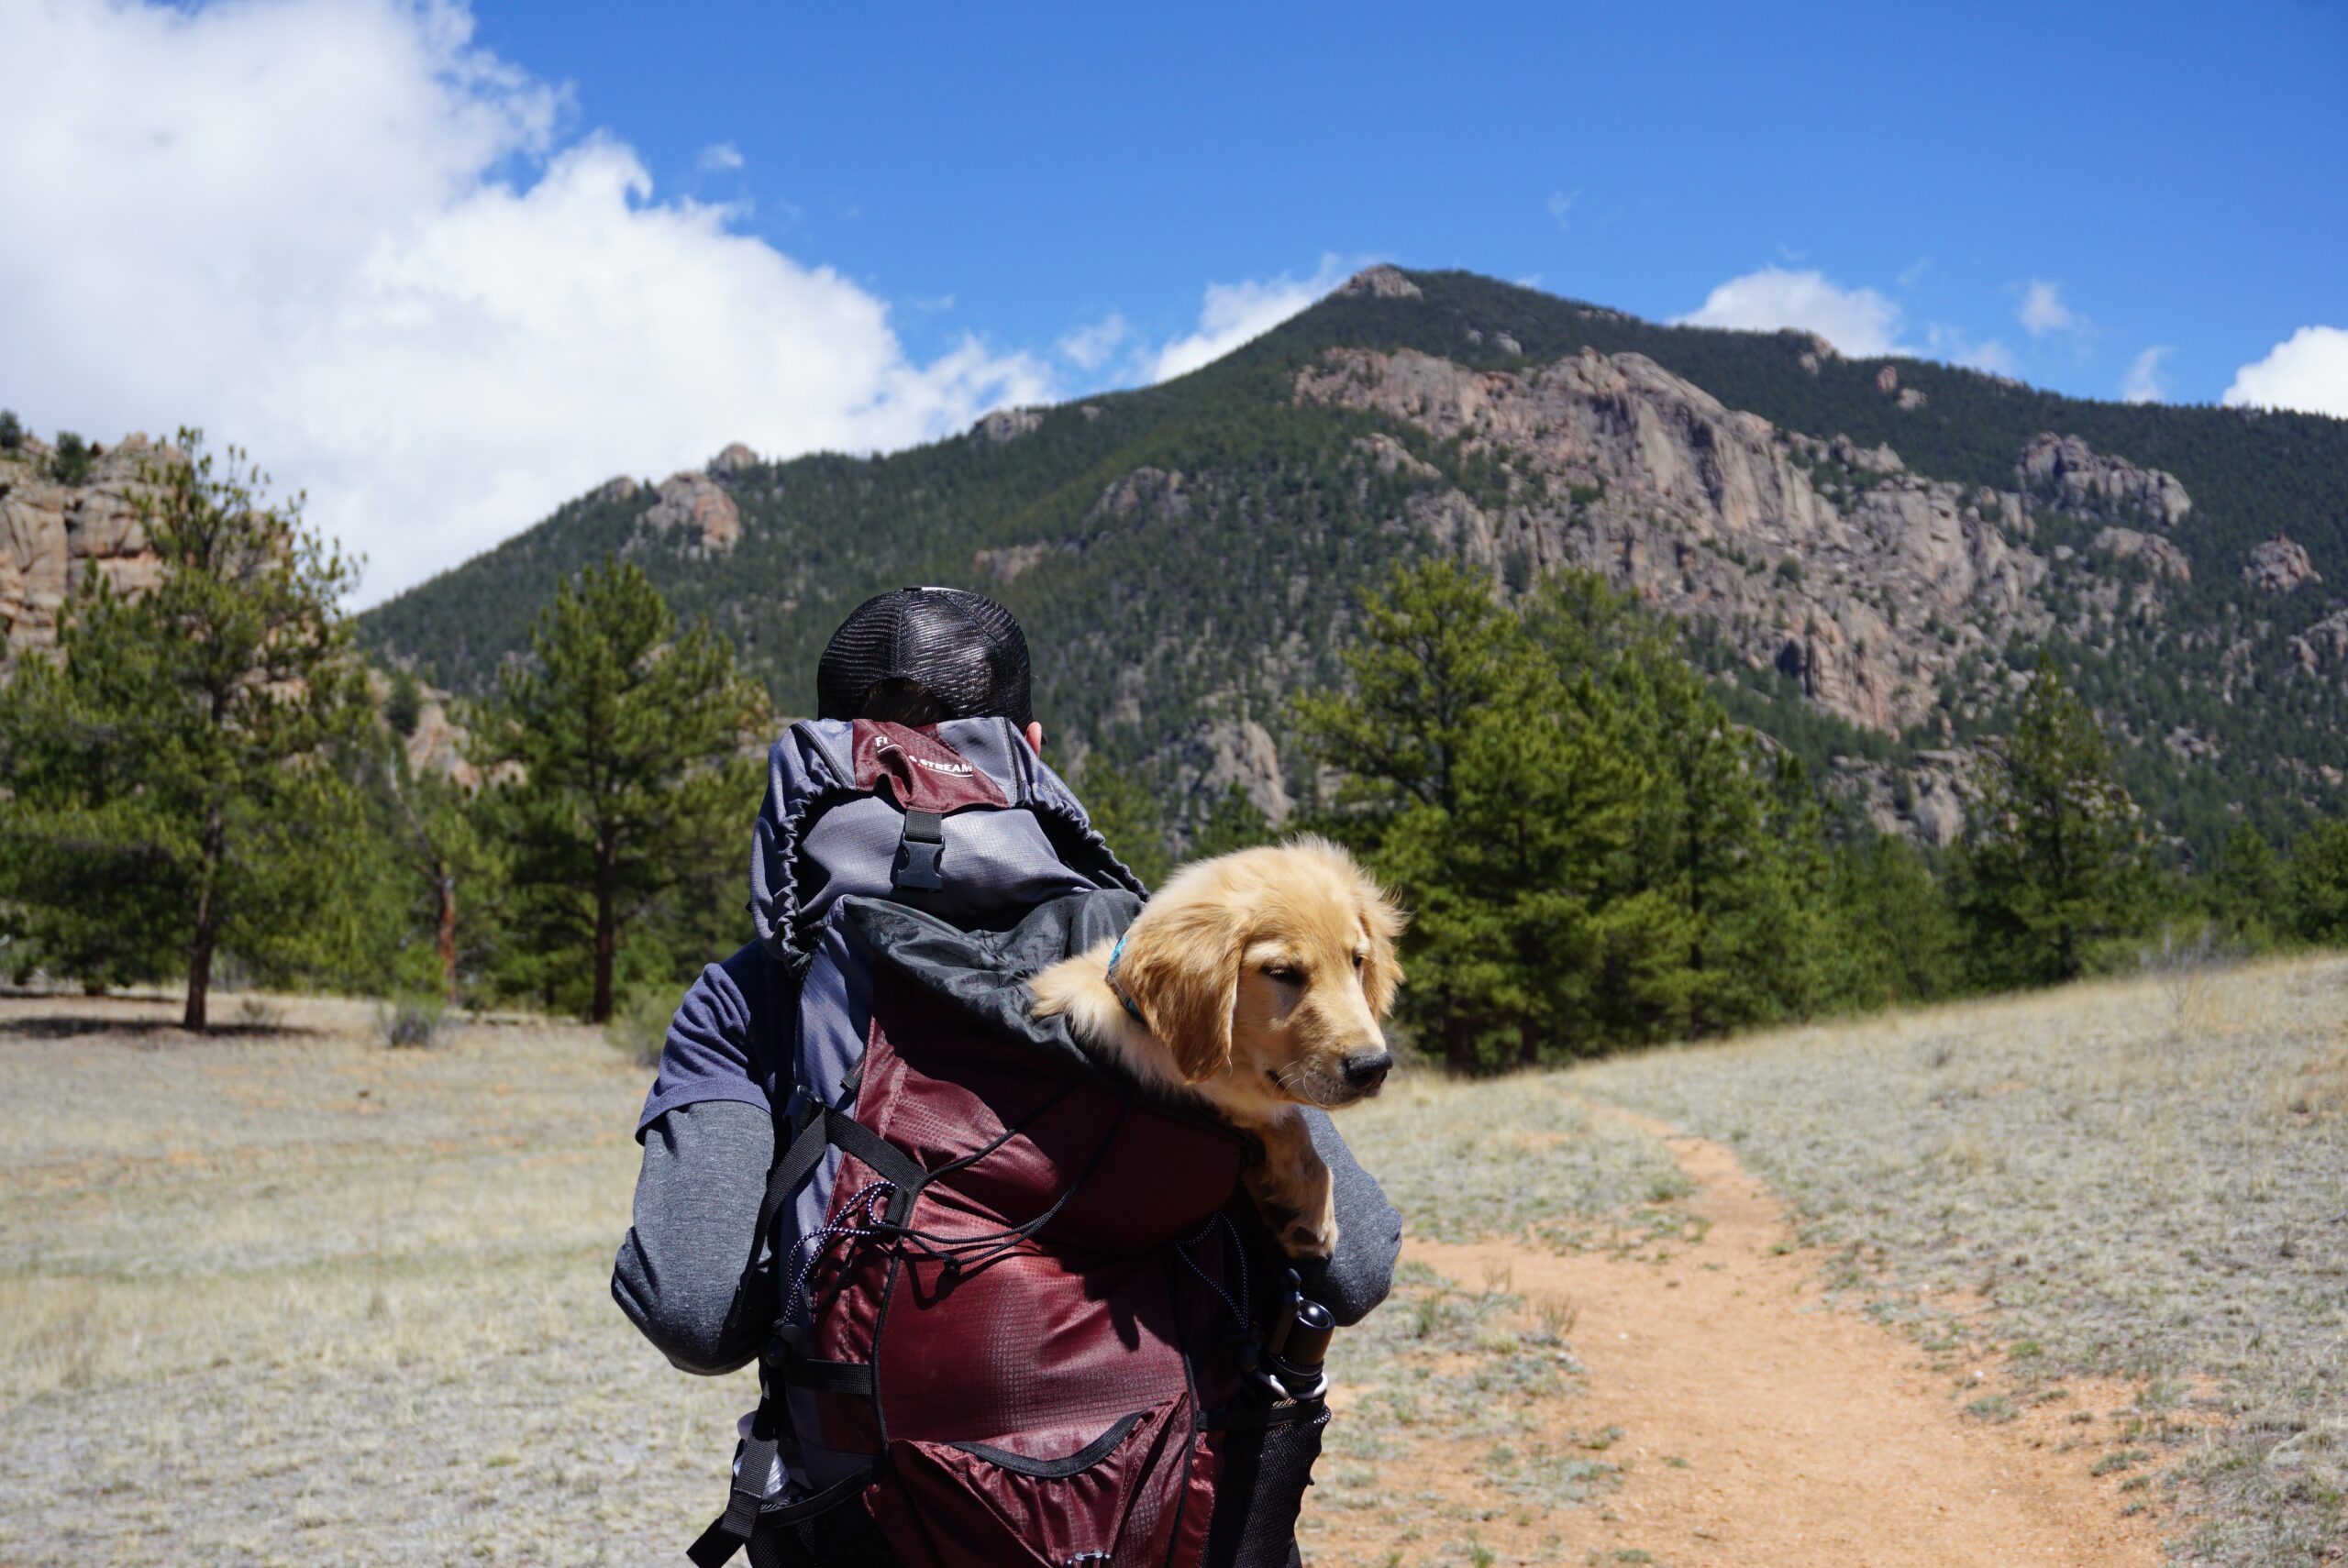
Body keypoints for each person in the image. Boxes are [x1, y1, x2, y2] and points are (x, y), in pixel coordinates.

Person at [612, 585, 1401, 1566]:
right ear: (1028, 743)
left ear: (833, 749)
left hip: (882, 1523)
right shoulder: (1158, 958)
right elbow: (1356, 1267)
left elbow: (695, 1314)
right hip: (1171, 1515)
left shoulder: (752, 993)